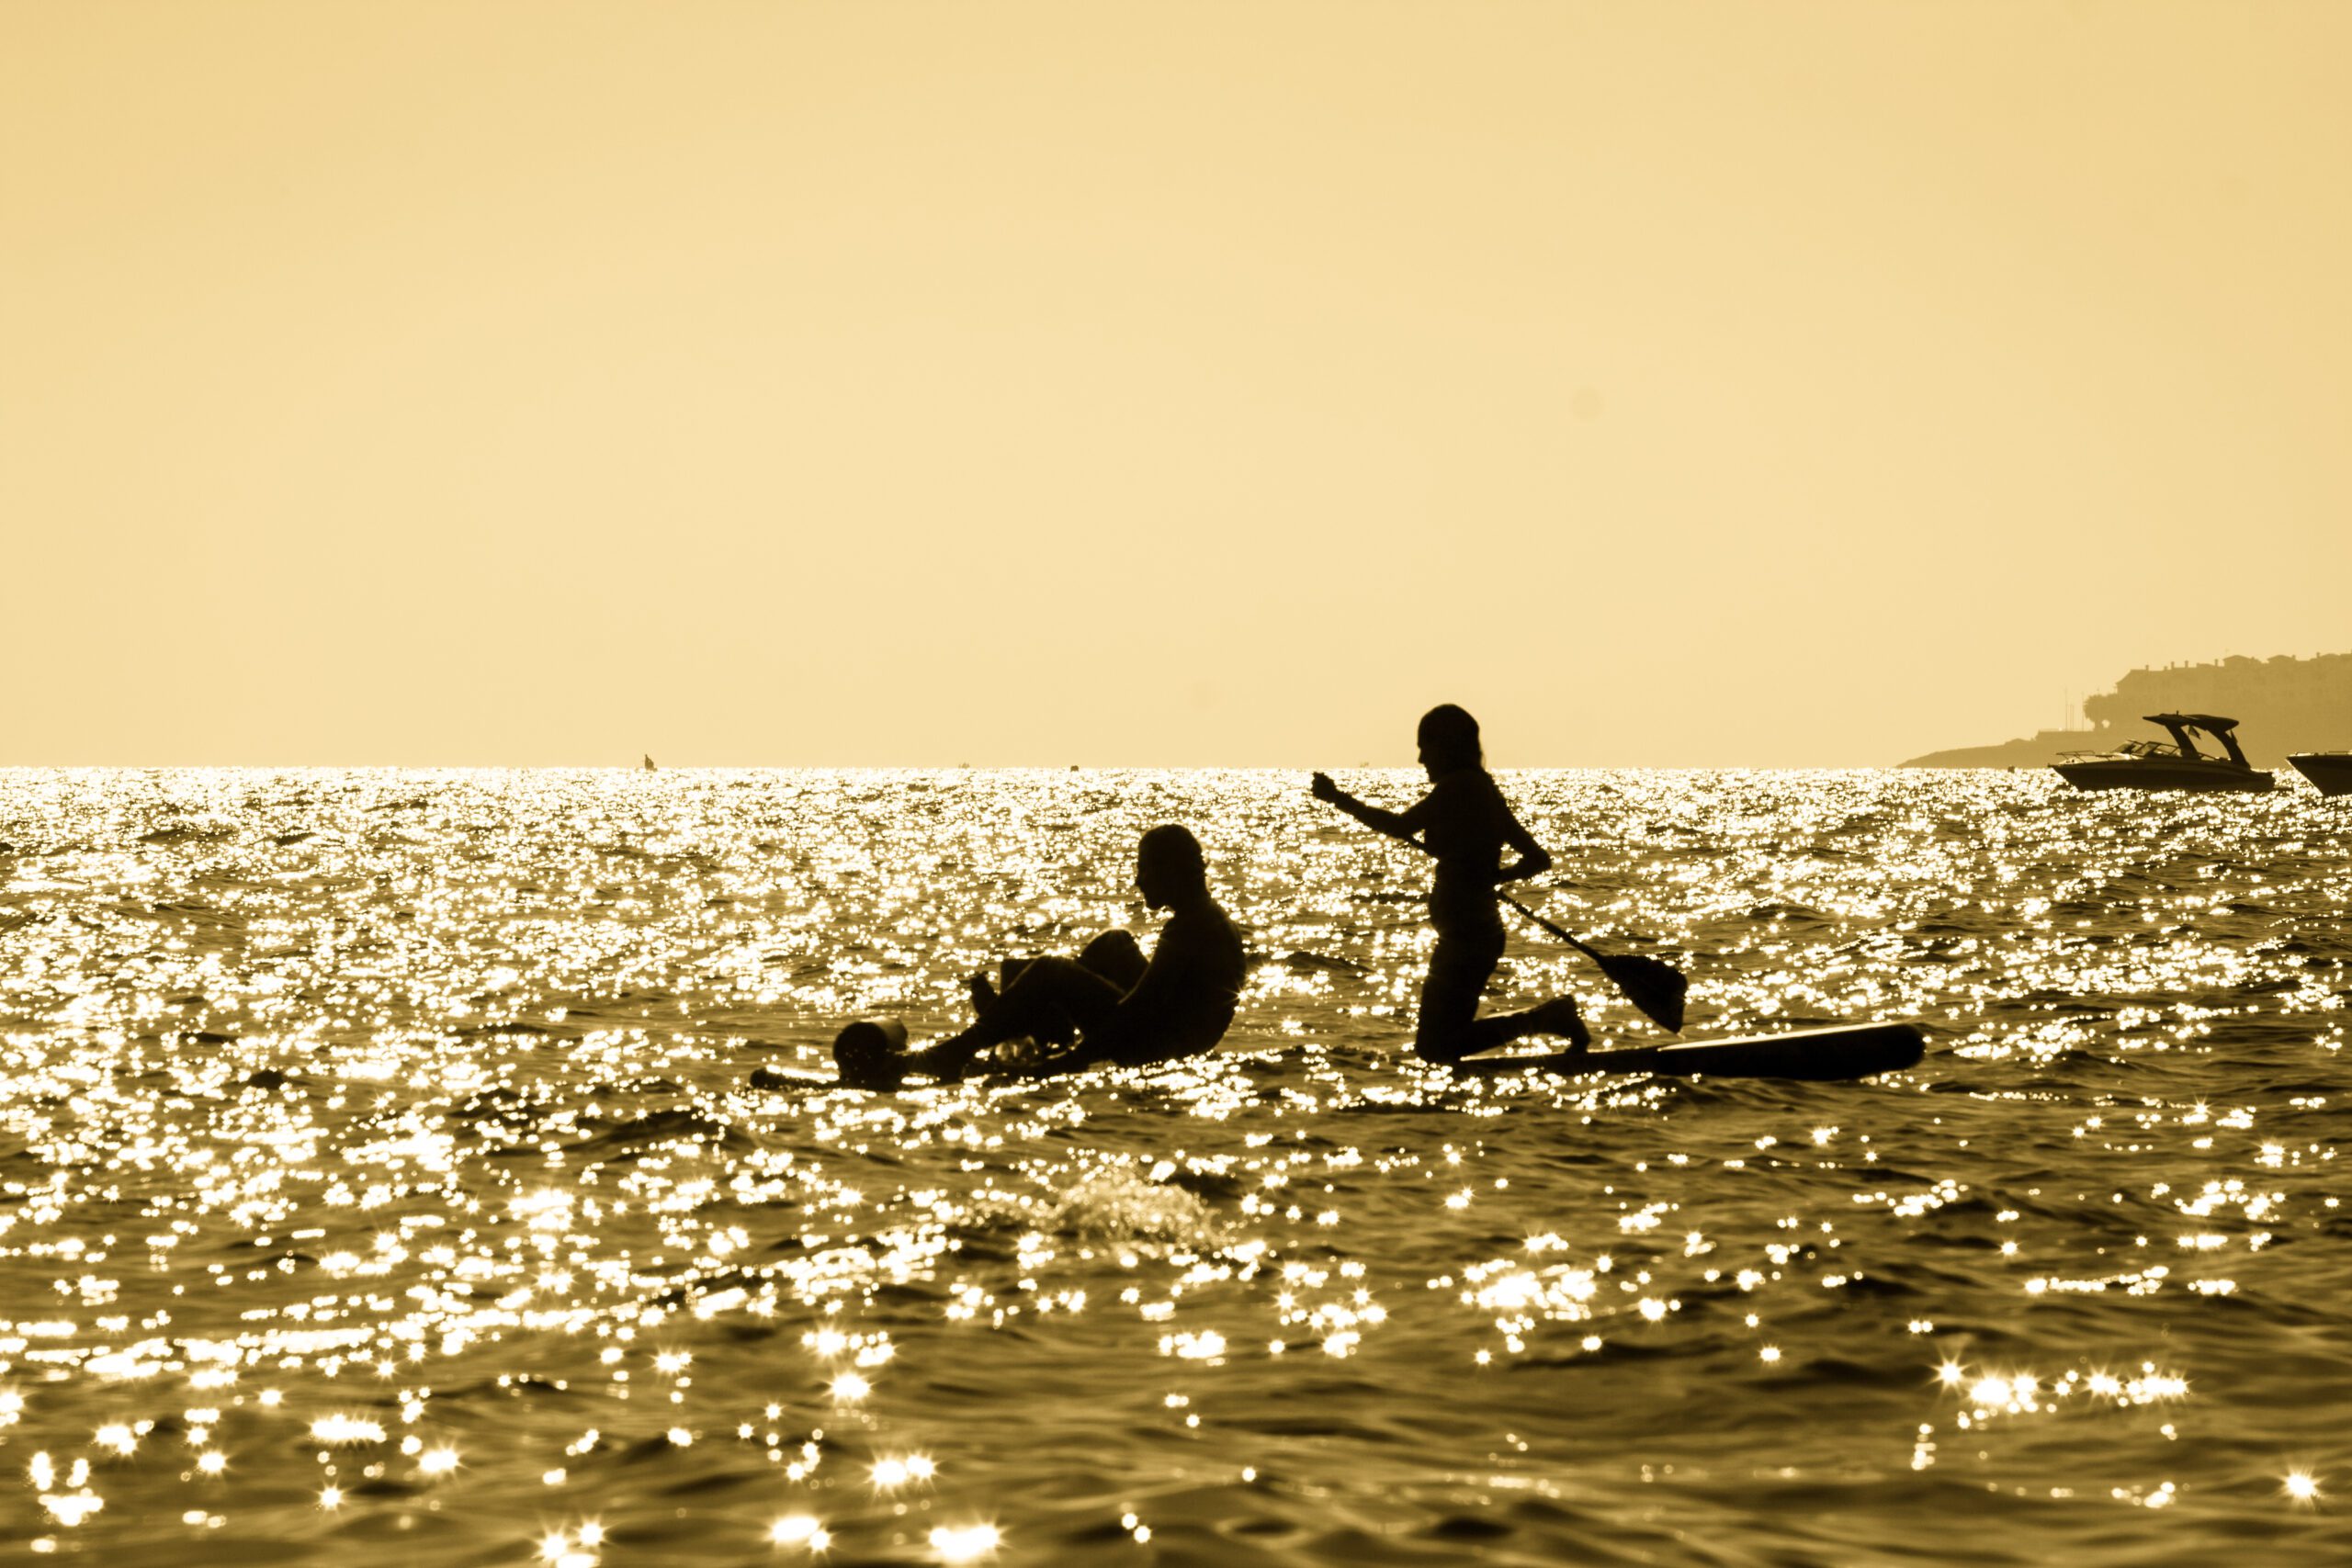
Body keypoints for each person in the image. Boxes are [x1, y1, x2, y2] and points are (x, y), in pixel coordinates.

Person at [834, 824, 1247, 1089]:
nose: (1138, 881)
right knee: (1113, 942)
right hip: (1168, 1032)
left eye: (1145, 870)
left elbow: (1136, 1012)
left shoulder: (1190, 931)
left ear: (1172, 873)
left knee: (1050, 970)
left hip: (1158, 1047)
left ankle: (962, 1049)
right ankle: (1028, 1026)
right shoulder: (1204, 917)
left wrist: (1061, 1067)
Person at [1310, 704, 1589, 1064]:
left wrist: (1339, 800)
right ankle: (1547, 1018)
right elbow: (1537, 859)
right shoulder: (1482, 788)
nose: (1420, 758)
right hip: (1472, 935)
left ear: (1448, 746)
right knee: (1438, 1045)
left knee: (1435, 1048)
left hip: (1469, 938)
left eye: (1426, 747)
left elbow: (1399, 827)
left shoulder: (1459, 787)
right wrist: (1493, 876)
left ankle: (1547, 1018)